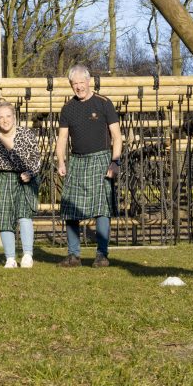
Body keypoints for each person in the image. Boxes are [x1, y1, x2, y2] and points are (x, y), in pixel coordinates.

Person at [55, 64, 122, 268]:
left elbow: (117, 136)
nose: (79, 87)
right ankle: (73, 255)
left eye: (81, 83)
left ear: (89, 81)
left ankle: (102, 255)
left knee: (102, 208)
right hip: (76, 160)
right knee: (69, 207)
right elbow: (62, 139)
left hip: (101, 159)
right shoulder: (67, 108)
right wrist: (60, 161)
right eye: (74, 84)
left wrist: (115, 161)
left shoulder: (104, 104)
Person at [0, 100, 41, 268]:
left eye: (8, 116)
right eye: (1, 117)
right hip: (2, 178)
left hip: (24, 179)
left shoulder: (26, 134)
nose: (5, 120)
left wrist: (30, 174)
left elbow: (35, 160)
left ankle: (27, 255)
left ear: (14, 117)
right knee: (5, 218)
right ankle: (10, 258)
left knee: (24, 216)